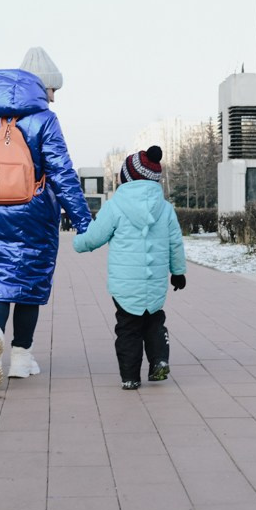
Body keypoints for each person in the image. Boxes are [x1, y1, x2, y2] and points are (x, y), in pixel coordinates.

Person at [0, 47, 92, 388]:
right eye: (51, 89)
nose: (53, 97)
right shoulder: (45, 120)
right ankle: (21, 358)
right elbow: (63, 173)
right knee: (29, 286)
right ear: (40, 86)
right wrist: (83, 221)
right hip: (35, 215)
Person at [73, 146, 187, 390]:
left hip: (125, 285)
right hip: (155, 282)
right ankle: (159, 360)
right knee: (155, 322)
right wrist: (177, 272)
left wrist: (78, 242)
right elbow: (175, 242)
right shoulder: (165, 209)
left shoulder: (115, 207)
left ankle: (130, 376)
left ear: (127, 177)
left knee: (128, 329)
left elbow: (95, 236)